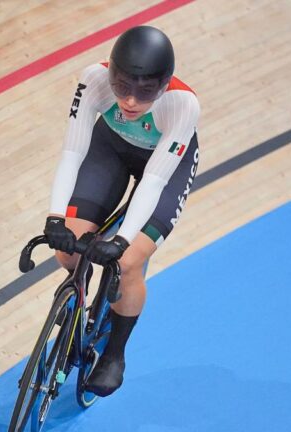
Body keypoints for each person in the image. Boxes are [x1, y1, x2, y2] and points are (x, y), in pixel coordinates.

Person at [42, 25, 200, 396]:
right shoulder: (93, 79)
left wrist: (123, 240)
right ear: (111, 74)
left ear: (164, 86)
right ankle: (76, 316)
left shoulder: (183, 104)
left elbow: (154, 183)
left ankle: (114, 353)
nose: (130, 102)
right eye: (122, 87)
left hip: (163, 169)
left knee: (126, 263)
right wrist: (54, 218)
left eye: (145, 93)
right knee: (68, 248)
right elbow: (72, 153)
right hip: (110, 149)